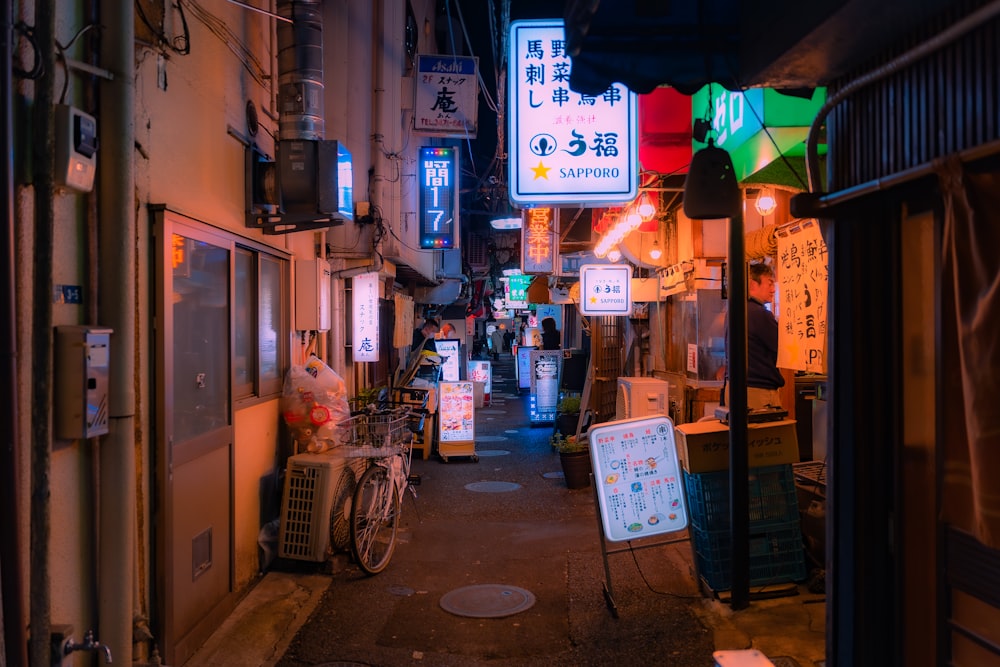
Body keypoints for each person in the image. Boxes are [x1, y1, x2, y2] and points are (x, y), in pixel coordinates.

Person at [736, 262, 784, 409]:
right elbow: (782, 348)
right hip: (758, 392)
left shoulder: (737, 309)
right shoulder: (759, 314)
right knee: (765, 432)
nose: (773, 289)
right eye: (769, 284)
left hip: (740, 388)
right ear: (752, 285)